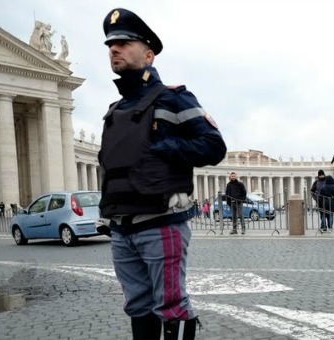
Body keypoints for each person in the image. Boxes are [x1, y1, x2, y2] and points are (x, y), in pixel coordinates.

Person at [97, 8, 227, 340]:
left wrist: (165, 146)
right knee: (137, 305)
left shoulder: (174, 97)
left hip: (160, 222)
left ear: (149, 53)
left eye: (124, 43)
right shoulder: (115, 111)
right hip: (121, 227)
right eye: (111, 45)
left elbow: (214, 147)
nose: (115, 49)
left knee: (171, 305)